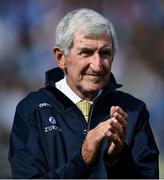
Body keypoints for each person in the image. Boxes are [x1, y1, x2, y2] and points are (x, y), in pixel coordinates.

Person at [8, 8, 159, 179]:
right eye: (86, 52)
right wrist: (82, 160)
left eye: (105, 53)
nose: (97, 65)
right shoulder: (32, 110)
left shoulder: (133, 111)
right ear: (60, 57)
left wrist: (118, 158)